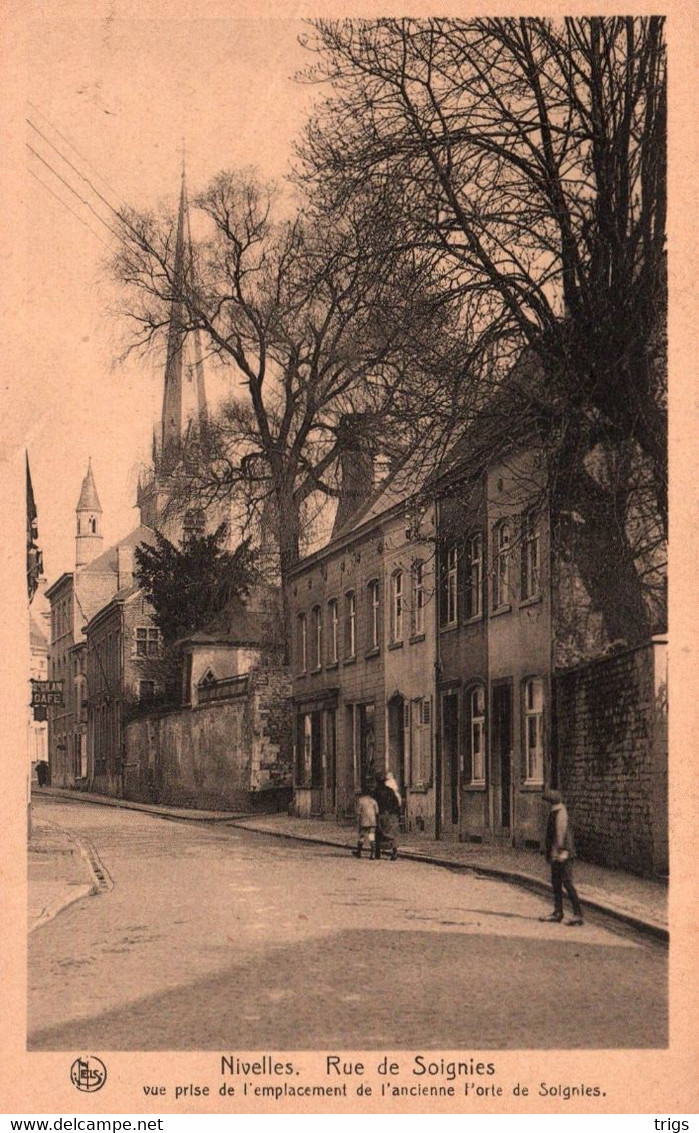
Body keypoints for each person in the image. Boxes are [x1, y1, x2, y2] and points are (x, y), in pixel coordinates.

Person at [539, 788, 584, 925]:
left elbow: (561, 834)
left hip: (563, 854)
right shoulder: (556, 811)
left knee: (567, 882)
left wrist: (561, 851)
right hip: (558, 853)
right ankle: (558, 912)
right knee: (556, 883)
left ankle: (578, 914)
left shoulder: (560, 813)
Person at [375, 770, 401, 861]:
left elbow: (374, 804)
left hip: (381, 814)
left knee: (378, 833)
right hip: (390, 814)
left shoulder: (376, 792)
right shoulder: (390, 791)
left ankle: (377, 852)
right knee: (391, 834)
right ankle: (394, 852)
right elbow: (396, 803)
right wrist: (395, 812)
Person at [354, 787, 379, 859]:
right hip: (372, 822)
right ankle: (373, 854)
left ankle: (359, 853)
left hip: (364, 822)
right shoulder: (373, 801)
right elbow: (377, 812)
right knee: (371, 837)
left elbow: (358, 812)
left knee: (361, 837)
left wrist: (357, 821)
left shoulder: (360, 801)